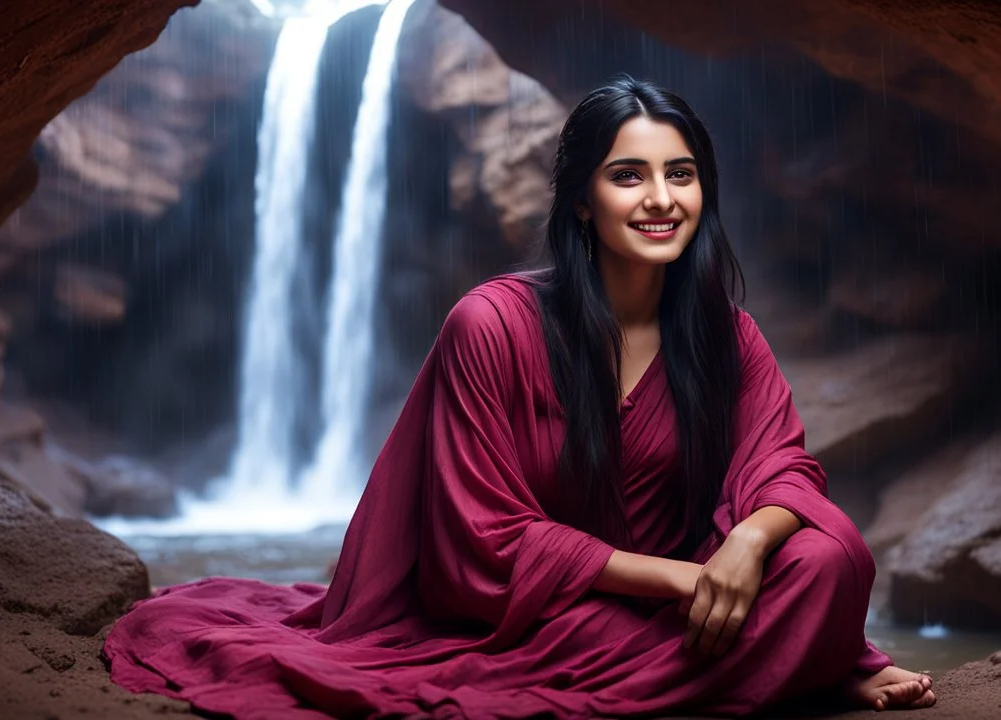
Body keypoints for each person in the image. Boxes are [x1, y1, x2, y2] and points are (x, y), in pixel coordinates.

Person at [105, 75, 937, 718]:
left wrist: (749, 543)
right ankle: (793, 671)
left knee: (831, 558)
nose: (660, 199)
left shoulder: (728, 336)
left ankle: (779, 656)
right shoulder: (490, 326)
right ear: (582, 199)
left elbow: (784, 468)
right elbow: (483, 548)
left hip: (675, 604)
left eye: (681, 175)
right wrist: (688, 584)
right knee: (705, 617)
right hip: (532, 617)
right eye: (629, 176)